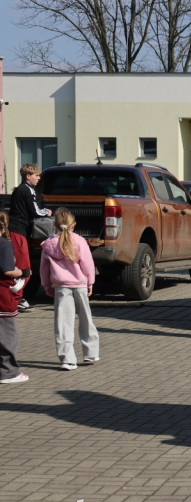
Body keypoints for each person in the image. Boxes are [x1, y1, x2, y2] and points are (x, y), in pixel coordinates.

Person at [40, 208, 99, 370]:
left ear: (55, 224)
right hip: (79, 284)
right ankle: (91, 352)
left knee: (63, 323)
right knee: (86, 319)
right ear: (74, 225)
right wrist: (90, 282)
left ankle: (67, 359)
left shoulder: (49, 244)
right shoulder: (79, 241)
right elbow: (87, 264)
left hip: (61, 287)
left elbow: (43, 269)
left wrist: (46, 285)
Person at [8, 163, 52, 311]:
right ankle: (16, 298)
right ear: (28, 176)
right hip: (18, 232)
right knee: (24, 267)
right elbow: (35, 211)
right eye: (36, 175)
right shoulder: (28, 190)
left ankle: (15, 296)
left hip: (17, 231)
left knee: (19, 266)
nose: (39, 178)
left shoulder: (19, 190)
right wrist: (47, 212)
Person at [0, 213, 29, 384]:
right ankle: (9, 372)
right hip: (3, 295)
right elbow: (7, 271)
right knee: (8, 335)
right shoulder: (4, 245)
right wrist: (24, 272)